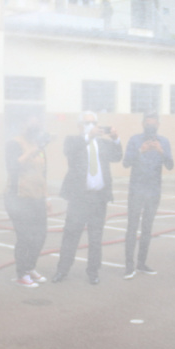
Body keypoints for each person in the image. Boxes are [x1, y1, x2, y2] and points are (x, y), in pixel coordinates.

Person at [51, 111, 122, 285]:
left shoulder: (103, 143)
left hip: (99, 198)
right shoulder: (73, 140)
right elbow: (69, 151)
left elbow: (117, 157)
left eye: (93, 123)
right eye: (86, 123)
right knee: (71, 235)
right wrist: (88, 137)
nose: (91, 126)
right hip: (79, 198)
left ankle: (93, 271)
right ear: (79, 126)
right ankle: (62, 270)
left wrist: (116, 139)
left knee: (96, 238)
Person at [122, 112, 173, 279]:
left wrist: (161, 151)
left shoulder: (164, 141)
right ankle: (129, 266)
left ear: (158, 125)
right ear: (143, 124)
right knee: (132, 227)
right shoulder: (135, 140)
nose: (150, 126)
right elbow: (126, 163)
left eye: (153, 123)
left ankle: (141, 263)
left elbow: (170, 165)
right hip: (136, 189)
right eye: (147, 123)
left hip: (153, 190)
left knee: (147, 228)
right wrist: (140, 151)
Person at [4, 115, 50, 288]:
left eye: (38, 123)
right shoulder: (14, 144)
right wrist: (31, 151)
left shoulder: (39, 146)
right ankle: (21, 274)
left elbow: (43, 173)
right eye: (32, 123)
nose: (35, 126)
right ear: (23, 124)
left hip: (37, 198)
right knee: (25, 236)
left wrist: (46, 197)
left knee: (40, 235)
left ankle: (30, 267)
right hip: (18, 197)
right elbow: (13, 167)